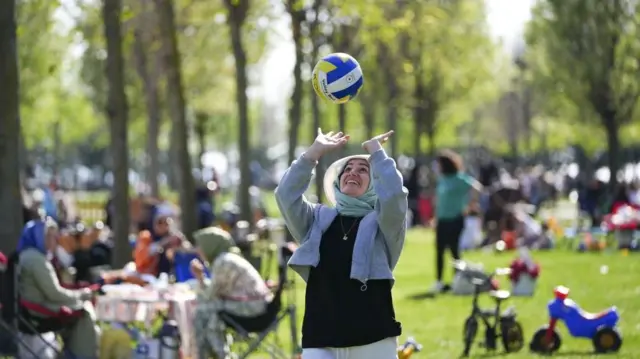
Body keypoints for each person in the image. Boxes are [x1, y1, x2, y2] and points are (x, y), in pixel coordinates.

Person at [275, 129, 407, 359]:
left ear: (375, 182)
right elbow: (285, 195)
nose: (352, 173)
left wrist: (377, 152)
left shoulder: (385, 224)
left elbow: (395, 196)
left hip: (373, 339)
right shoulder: (316, 220)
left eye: (363, 170)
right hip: (319, 339)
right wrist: (313, 153)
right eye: (347, 169)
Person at [17, 218, 100, 358]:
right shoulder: (37, 260)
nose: (54, 240)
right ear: (38, 236)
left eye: (54, 236)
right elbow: (54, 294)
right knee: (84, 310)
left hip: (30, 307)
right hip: (38, 310)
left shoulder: (26, 255)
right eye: (48, 236)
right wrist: (82, 294)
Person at [189, 226, 273, 359]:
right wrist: (201, 278)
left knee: (203, 311)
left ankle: (214, 354)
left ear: (210, 245)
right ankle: (216, 353)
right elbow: (214, 293)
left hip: (254, 309)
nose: (198, 251)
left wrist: (200, 277)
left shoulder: (223, 262)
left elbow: (209, 296)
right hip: (258, 305)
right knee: (206, 310)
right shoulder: (227, 258)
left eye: (200, 246)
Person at [429, 150, 482, 294]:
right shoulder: (442, 179)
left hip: (456, 219)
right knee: (439, 250)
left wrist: (470, 205)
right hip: (442, 219)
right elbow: (439, 201)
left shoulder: (459, 178)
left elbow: (476, 188)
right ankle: (439, 281)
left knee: (454, 250)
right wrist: (435, 217)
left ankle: (457, 280)